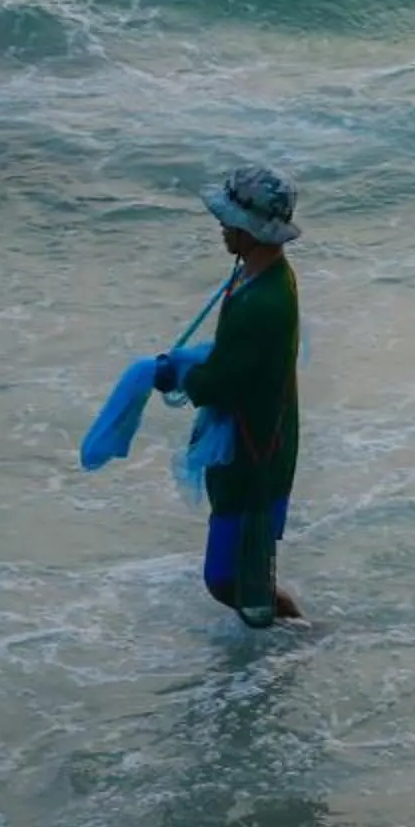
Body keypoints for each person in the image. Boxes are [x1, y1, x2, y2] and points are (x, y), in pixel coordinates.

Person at [153, 165, 305, 627]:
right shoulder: (257, 278)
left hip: (256, 453)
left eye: (229, 219)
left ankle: (303, 637)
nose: (221, 225)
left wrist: (176, 378)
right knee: (243, 576)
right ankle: (272, 662)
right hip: (257, 442)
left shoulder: (263, 301)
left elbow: (220, 383)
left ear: (251, 230)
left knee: (230, 581)